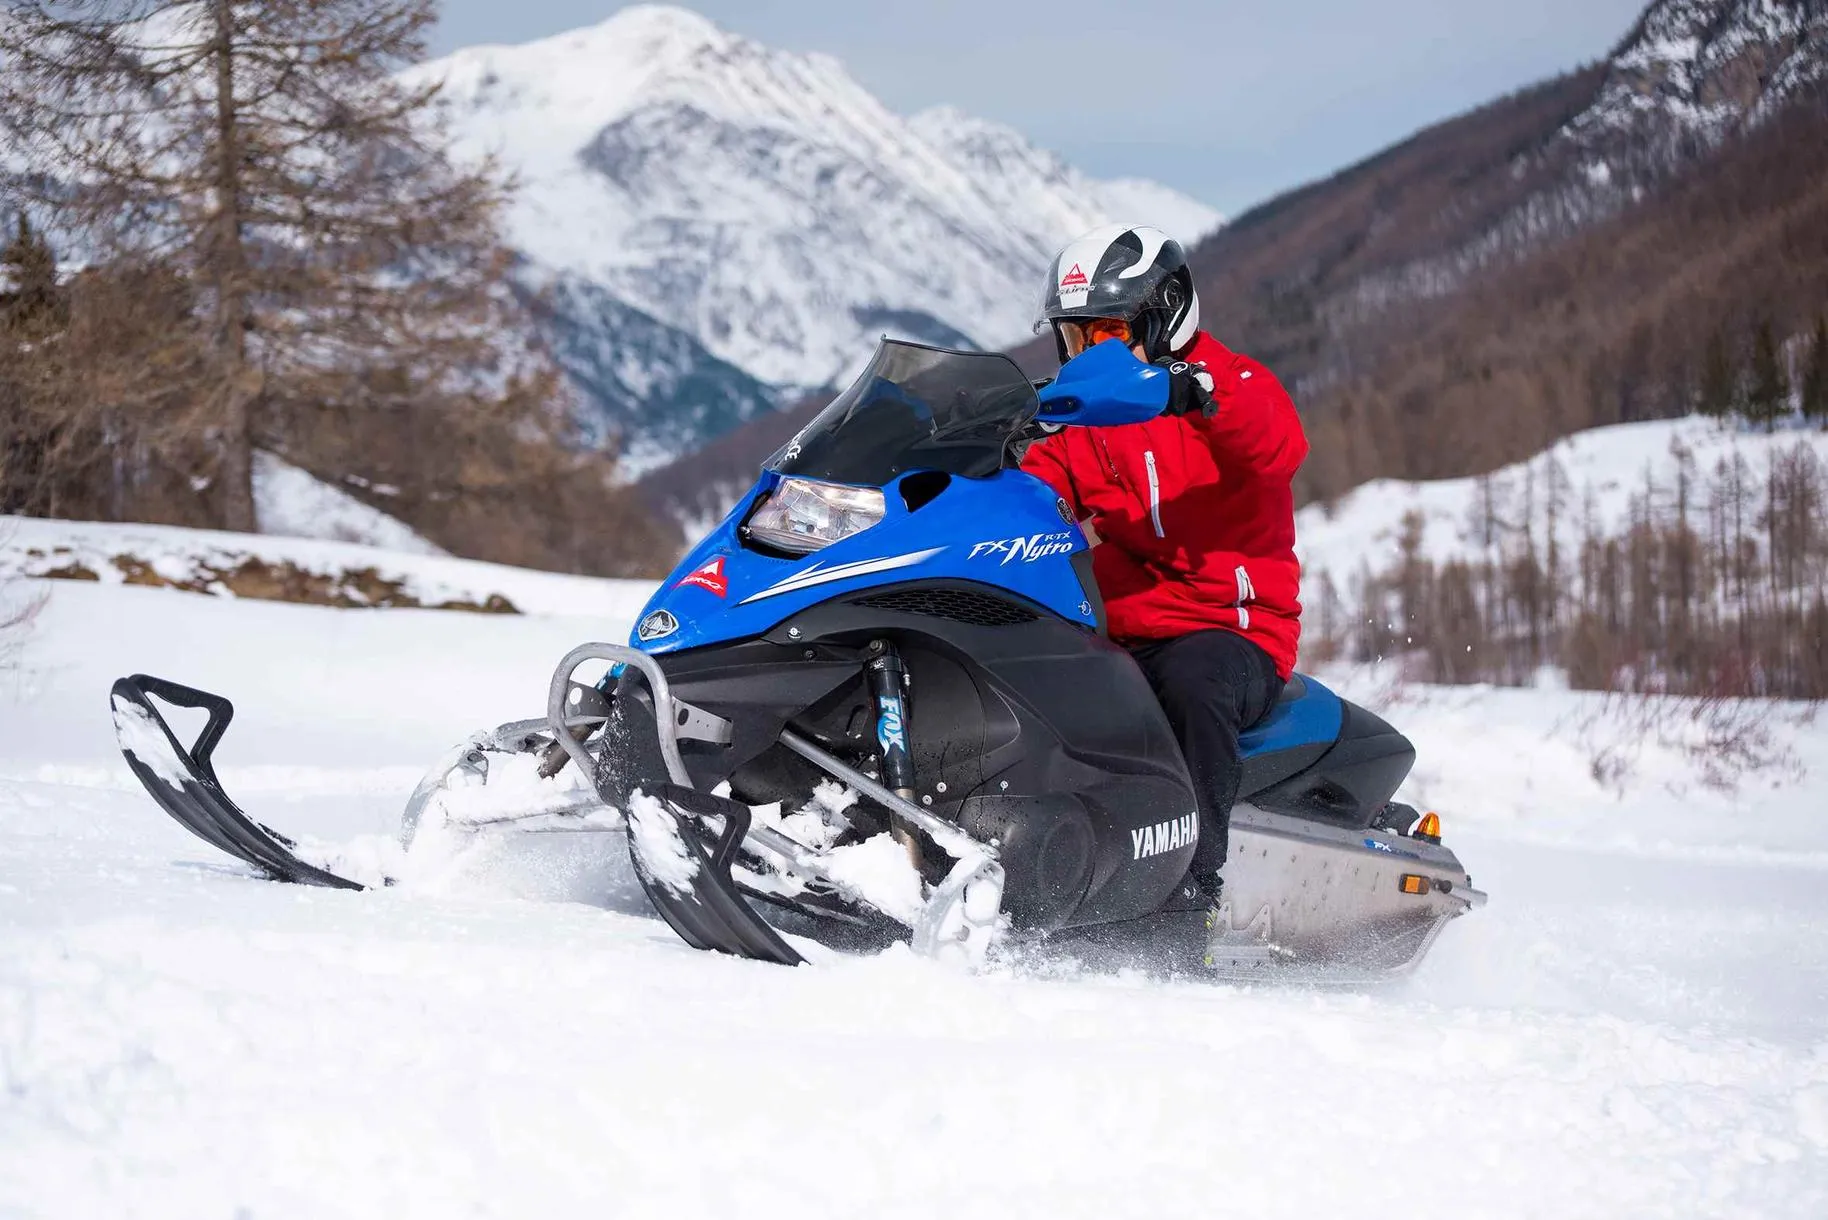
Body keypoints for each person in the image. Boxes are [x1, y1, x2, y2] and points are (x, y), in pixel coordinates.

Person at [1020, 223, 1307, 909]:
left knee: (1192, 680)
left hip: (1230, 633)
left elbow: (1277, 446)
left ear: (1164, 317)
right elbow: (1036, 491)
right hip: (1117, 630)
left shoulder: (1229, 384)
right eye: (1075, 336)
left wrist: (1188, 389)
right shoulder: (1084, 425)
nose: (1088, 354)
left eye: (1107, 333)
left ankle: (1192, 893)